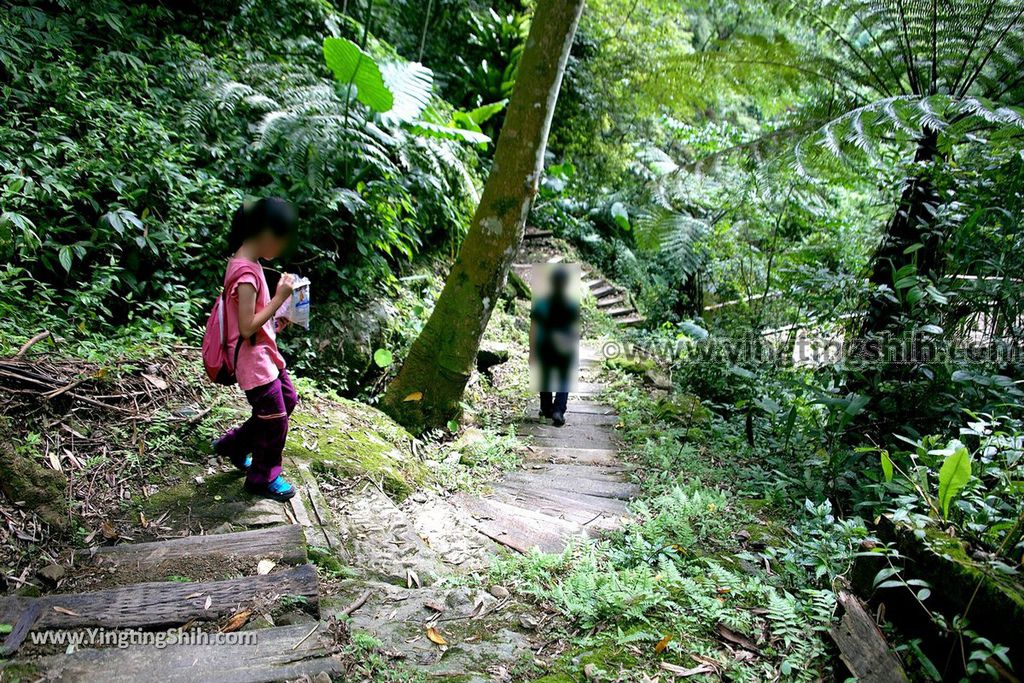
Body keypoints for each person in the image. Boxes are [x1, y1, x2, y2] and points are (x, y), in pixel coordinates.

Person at [212, 198, 300, 501]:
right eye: (281, 238)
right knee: (275, 420)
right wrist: (279, 297)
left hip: (264, 355)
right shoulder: (245, 274)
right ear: (264, 233)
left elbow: (248, 321)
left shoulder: (249, 263)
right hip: (253, 363)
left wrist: (276, 318)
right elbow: (247, 327)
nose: (282, 245)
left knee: (286, 400)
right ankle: (262, 477)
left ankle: (235, 444)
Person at [530, 266, 580, 427]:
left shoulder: (541, 303)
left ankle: (546, 408)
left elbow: (534, 328)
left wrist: (532, 352)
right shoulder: (571, 304)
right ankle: (558, 411)